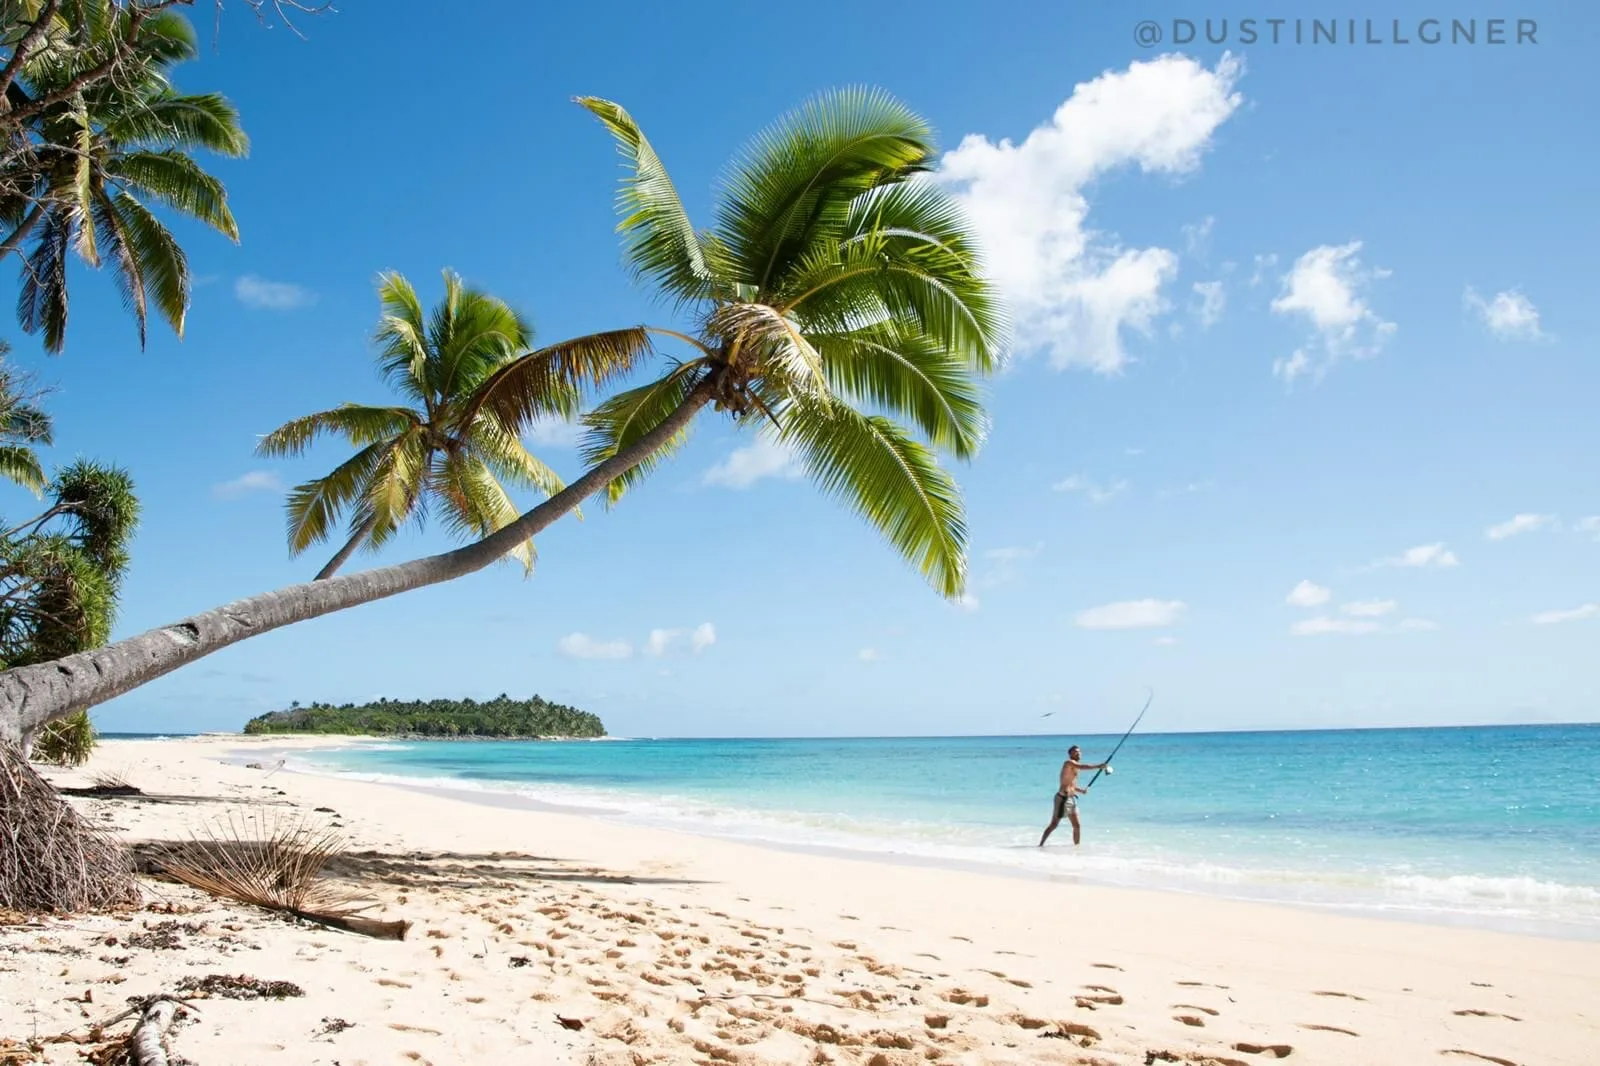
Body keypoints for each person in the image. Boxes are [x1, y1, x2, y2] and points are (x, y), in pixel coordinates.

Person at [1038, 744, 1111, 847]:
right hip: (1062, 799)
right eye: (1076, 752)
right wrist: (1098, 766)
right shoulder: (1068, 763)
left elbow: (1071, 785)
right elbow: (1082, 767)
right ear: (1070, 754)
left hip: (1072, 799)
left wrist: (1081, 790)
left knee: (1077, 826)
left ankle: (1077, 848)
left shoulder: (1076, 767)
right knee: (1054, 825)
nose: (1079, 753)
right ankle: (1040, 845)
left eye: (1079, 752)